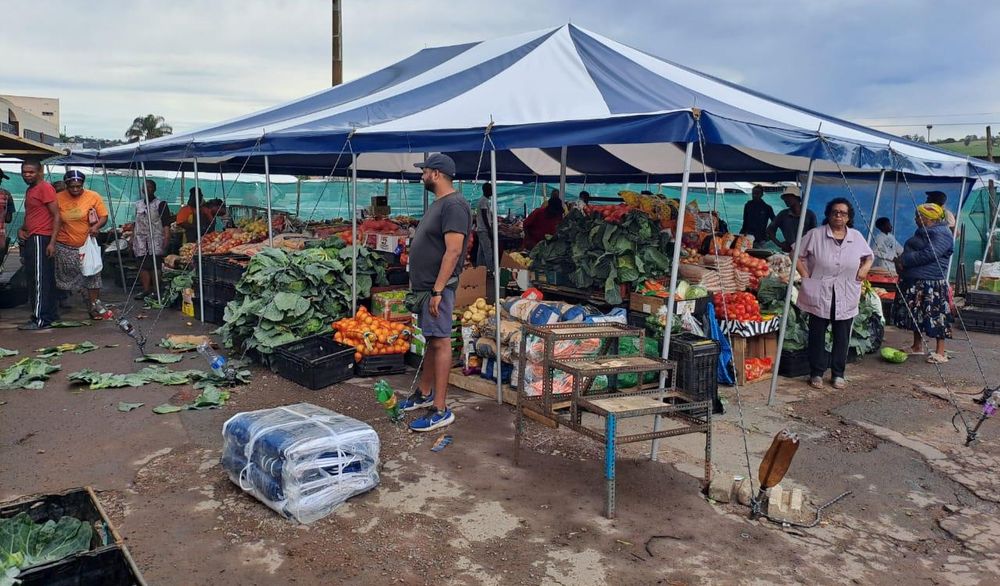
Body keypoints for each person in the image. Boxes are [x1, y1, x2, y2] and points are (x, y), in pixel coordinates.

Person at [400, 153, 471, 432]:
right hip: (427, 287)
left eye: (424, 171)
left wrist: (439, 289)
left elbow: (453, 250)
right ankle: (425, 391)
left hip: (436, 289)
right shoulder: (440, 203)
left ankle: (440, 409)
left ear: (437, 174)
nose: (422, 175)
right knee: (432, 339)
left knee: (441, 342)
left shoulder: (454, 204)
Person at [795, 198, 873, 390]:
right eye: (835, 212)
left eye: (843, 213)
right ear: (828, 214)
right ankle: (817, 373)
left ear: (849, 217)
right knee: (817, 334)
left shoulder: (856, 236)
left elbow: (869, 256)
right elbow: (796, 253)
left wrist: (864, 270)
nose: (839, 216)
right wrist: (806, 275)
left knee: (842, 335)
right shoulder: (815, 234)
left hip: (846, 291)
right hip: (820, 291)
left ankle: (838, 374)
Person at [893, 203, 954, 364]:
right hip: (916, 280)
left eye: (918, 216)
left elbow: (929, 254)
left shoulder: (942, 233)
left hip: (931, 283)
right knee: (917, 314)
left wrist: (904, 260)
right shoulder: (925, 232)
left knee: (936, 315)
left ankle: (940, 351)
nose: (915, 219)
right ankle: (917, 346)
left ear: (928, 218)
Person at [54, 170, 109, 318]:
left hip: (86, 244)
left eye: (79, 186)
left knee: (93, 275)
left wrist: (96, 226)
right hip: (64, 245)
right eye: (72, 187)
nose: (76, 189)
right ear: (66, 185)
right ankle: (58, 304)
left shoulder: (93, 196)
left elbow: (103, 216)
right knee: (62, 277)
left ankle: (93, 306)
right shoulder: (58, 198)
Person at [17, 160, 61, 330]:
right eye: (24, 172)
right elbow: (33, 214)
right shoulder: (31, 190)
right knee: (42, 278)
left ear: (40, 172)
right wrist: (22, 228)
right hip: (33, 236)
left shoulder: (44, 188)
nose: (27, 175)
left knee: (39, 280)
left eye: (31, 172)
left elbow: (56, 215)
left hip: (41, 238)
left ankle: (40, 319)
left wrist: (52, 242)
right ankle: (49, 314)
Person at [132, 179, 171, 300]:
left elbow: (166, 223)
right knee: (142, 265)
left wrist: (166, 237)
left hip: (155, 238)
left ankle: (156, 290)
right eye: (145, 187)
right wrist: (132, 238)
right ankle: (146, 290)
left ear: (154, 189)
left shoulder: (161, 204)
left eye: (150, 187)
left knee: (155, 265)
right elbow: (136, 222)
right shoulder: (138, 204)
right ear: (142, 190)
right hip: (140, 239)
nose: (147, 189)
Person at [768, 186, 817, 252]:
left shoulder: (809, 215)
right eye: (785, 197)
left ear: (797, 198)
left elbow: (815, 236)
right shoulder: (783, 215)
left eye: (788, 197)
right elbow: (769, 230)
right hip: (789, 251)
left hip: (806, 252)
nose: (785, 199)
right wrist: (779, 244)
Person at [475, 182, 495, 272]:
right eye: (490, 190)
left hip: (481, 229)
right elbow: (484, 216)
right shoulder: (484, 201)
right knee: (488, 250)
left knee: (481, 250)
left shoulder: (484, 200)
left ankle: (479, 268)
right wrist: (489, 229)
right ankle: (490, 269)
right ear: (487, 190)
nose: (492, 191)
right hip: (483, 229)